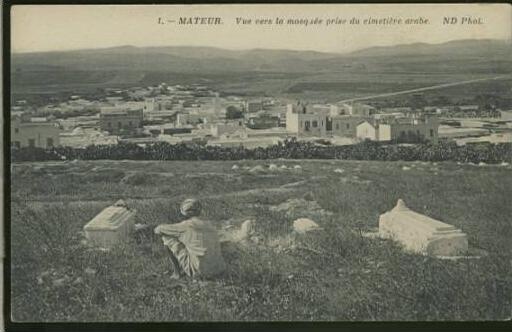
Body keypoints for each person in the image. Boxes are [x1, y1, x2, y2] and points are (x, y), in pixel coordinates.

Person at [154, 198, 226, 279]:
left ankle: (177, 273)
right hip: (220, 269)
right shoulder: (209, 224)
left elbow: (158, 230)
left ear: (184, 213)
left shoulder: (185, 225)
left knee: (166, 237)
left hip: (199, 271)